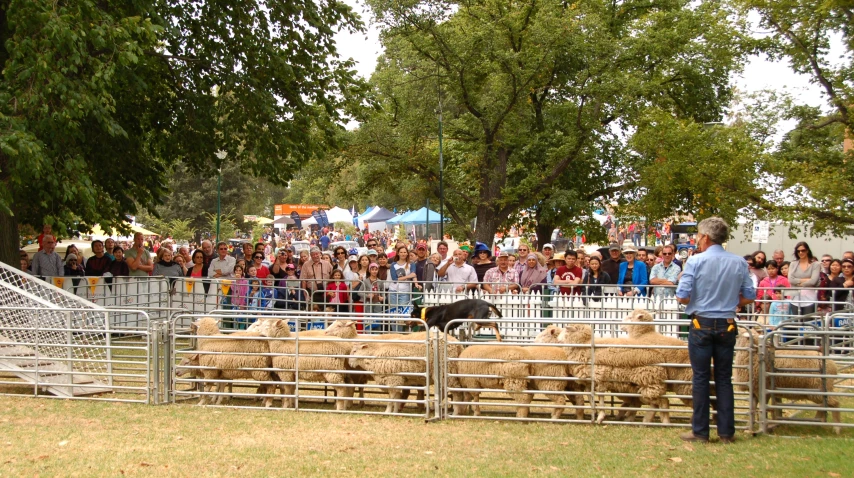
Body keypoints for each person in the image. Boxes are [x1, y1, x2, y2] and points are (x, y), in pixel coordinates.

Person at [676, 217, 755, 444]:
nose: (697, 240)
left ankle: (700, 431)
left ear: (706, 237)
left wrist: (700, 299)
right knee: (724, 378)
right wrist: (731, 301)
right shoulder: (739, 262)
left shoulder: (695, 261)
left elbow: (682, 296)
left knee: (700, 377)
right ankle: (726, 433)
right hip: (727, 323)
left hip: (701, 324)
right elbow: (749, 296)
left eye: (699, 236)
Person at [788, 241, 821, 316]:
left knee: (808, 322)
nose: (800, 252)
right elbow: (790, 280)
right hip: (795, 298)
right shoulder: (793, 264)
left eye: (803, 250)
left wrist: (797, 282)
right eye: (798, 251)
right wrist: (807, 279)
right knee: (796, 322)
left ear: (807, 250)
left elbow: (813, 281)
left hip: (810, 299)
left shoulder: (815, 264)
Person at [388, 245, 418, 309]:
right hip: (393, 291)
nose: (403, 254)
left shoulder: (411, 264)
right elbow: (395, 279)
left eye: (404, 252)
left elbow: (413, 275)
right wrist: (408, 276)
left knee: (403, 312)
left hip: (405, 291)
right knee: (393, 311)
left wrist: (416, 284)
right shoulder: (393, 265)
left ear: (407, 253)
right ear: (398, 253)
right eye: (401, 252)